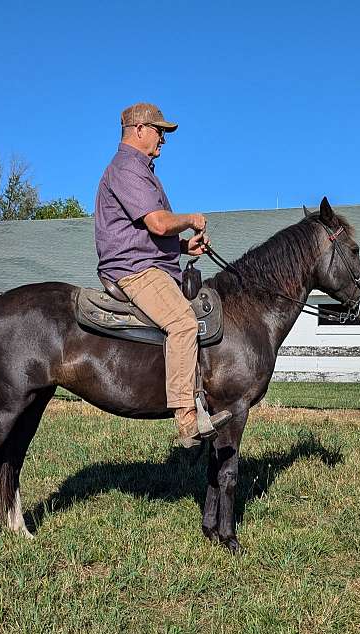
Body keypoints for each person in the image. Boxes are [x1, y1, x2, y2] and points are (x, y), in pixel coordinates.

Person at [94, 102, 231, 447]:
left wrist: (184, 248)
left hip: (148, 263)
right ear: (139, 130)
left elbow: (148, 234)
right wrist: (190, 219)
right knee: (183, 323)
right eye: (160, 131)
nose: (164, 140)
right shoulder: (126, 168)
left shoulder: (143, 171)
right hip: (135, 271)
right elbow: (157, 222)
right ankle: (187, 420)